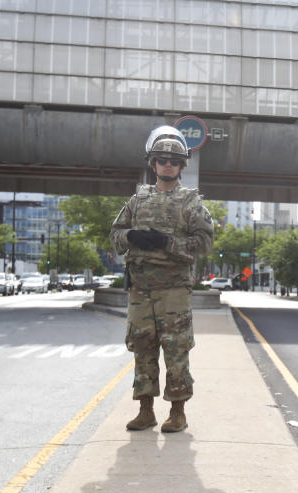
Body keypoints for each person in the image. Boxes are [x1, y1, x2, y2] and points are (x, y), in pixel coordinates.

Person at [110, 126, 214, 433]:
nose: (167, 164)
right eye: (161, 159)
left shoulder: (190, 203)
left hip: (173, 290)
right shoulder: (138, 201)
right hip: (141, 288)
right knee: (142, 348)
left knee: (175, 349)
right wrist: (132, 236)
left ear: (182, 166)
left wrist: (167, 243)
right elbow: (115, 235)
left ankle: (177, 411)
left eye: (173, 160)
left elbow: (205, 243)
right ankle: (145, 410)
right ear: (152, 164)